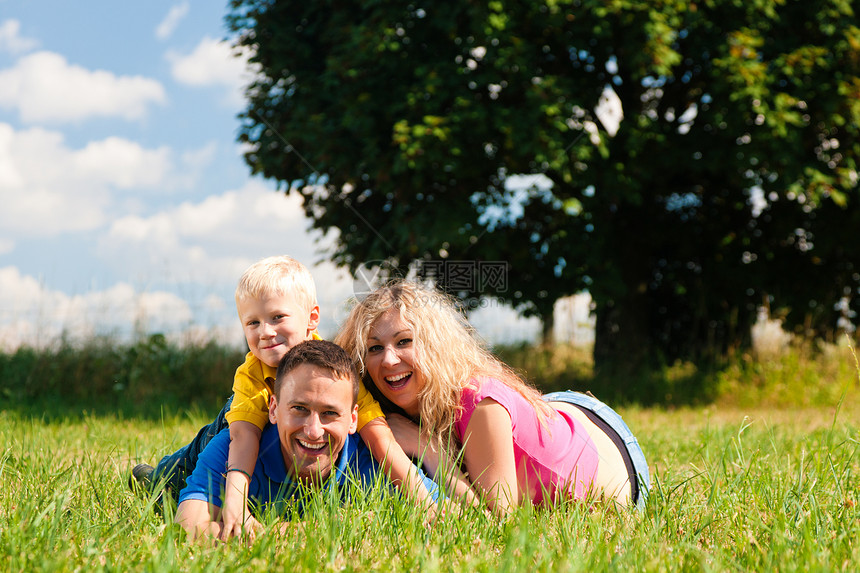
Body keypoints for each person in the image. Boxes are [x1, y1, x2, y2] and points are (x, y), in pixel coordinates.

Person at [131, 256, 437, 538]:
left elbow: (379, 436)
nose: (265, 331)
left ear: (311, 318)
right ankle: (156, 478)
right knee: (181, 470)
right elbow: (242, 437)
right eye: (252, 322)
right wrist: (236, 505)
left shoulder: (336, 373)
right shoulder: (250, 375)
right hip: (231, 429)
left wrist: (422, 498)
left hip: (274, 432)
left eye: (277, 317)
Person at [333, 280, 650, 515]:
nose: (388, 360)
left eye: (404, 341)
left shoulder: (478, 402)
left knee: (498, 409)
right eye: (374, 348)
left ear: (434, 346)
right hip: (556, 415)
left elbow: (498, 520)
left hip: (620, 463)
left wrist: (429, 449)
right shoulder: (394, 405)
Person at [174, 339, 440, 542]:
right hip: (194, 452)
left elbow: (447, 513)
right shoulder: (232, 450)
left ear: (353, 419)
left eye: (329, 413)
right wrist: (311, 531)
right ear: (274, 408)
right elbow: (186, 528)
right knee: (168, 478)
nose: (314, 431)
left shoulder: (372, 461)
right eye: (299, 409)